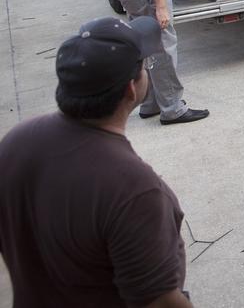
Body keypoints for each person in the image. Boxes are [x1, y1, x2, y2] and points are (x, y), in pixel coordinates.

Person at [0, 17, 192, 307]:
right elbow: (161, 302)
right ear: (131, 89)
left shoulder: (15, 143)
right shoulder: (135, 190)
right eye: (143, 65)